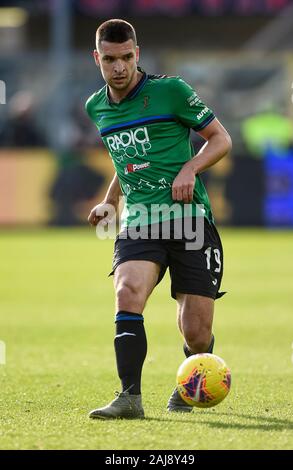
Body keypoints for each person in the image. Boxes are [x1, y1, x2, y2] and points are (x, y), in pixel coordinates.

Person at [85, 19, 232, 419]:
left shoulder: (171, 92)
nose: (119, 67)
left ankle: (192, 379)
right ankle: (129, 397)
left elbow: (221, 139)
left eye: (127, 57)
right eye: (111, 59)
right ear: (98, 58)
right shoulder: (96, 106)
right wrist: (110, 201)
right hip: (142, 220)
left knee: (197, 334)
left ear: (138, 54)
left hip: (189, 221)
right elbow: (125, 160)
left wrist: (191, 169)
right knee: (127, 291)